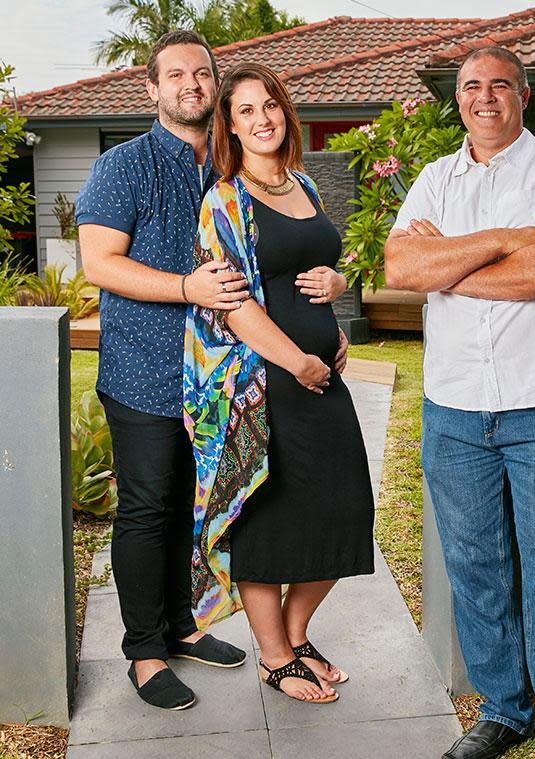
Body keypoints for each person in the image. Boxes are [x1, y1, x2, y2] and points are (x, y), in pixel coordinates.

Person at [75, 30, 329, 712]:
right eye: (177, 74)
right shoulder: (124, 166)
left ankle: (184, 627)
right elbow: (100, 264)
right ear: (151, 88)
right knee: (148, 510)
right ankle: (144, 652)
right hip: (145, 374)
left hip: (223, 383)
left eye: (203, 73)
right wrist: (187, 287)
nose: (193, 83)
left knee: (200, 507)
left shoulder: (229, 165)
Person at [384, 47, 535, 759]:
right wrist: (504, 243)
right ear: (458, 100)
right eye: (471, 87)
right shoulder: (433, 178)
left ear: (523, 95)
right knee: (476, 566)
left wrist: (448, 264)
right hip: (454, 406)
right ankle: (504, 710)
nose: (485, 97)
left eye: (499, 85)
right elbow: (400, 268)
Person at [183, 62, 375, 705]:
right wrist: (297, 360)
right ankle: (273, 656)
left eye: (270, 105)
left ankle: (294, 633)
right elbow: (232, 303)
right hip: (263, 385)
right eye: (245, 111)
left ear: (285, 113)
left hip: (323, 375)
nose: (262, 118)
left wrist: (339, 296)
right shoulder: (225, 200)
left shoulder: (304, 185)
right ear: (228, 126)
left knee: (346, 511)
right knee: (265, 521)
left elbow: (323, 266)